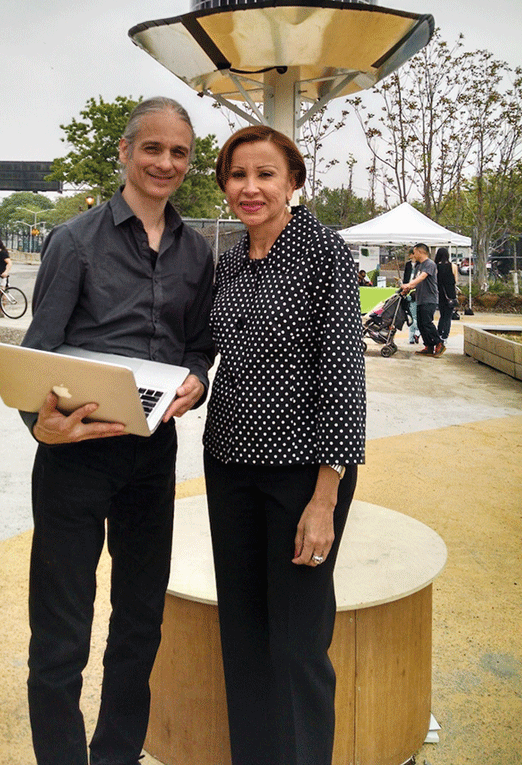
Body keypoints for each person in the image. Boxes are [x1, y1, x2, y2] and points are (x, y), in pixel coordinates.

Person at [20, 97, 215, 765]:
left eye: (179, 152)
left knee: (140, 626)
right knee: (61, 635)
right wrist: (39, 425)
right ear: (126, 153)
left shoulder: (197, 251)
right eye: (153, 148)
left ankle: (116, 756)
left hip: (151, 459)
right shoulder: (75, 241)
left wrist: (198, 378)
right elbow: (38, 351)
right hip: (75, 460)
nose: (166, 162)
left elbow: (198, 346)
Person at [203, 125, 366, 765]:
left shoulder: (324, 253)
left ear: (293, 182)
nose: (250, 188)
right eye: (238, 175)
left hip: (304, 476)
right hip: (229, 466)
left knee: (297, 643)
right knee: (242, 633)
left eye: (265, 174)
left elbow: (342, 378)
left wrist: (326, 497)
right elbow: (208, 349)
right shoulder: (232, 260)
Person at [401, 242, 443, 356]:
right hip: (420, 298)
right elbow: (415, 281)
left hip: (429, 298)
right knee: (420, 324)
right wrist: (407, 289)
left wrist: (409, 285)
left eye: (414, 253)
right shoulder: (419, 266)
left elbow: (422, 277)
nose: (413, 255)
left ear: (420, 252)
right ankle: (428, 345)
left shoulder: (429, 264)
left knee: (427, 322)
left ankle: (439, 343)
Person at [435, 246, 458, 345]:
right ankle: (445, 336)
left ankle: (439, 333)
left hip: (440, 294)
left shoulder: (435, 267)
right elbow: (456, 281)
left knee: (442, 315)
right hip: (451, 295)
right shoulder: (453, 266)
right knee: (448, 316)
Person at [403, 248, 420, 344]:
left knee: (415, 315)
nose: (410, 256)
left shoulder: (420, 264)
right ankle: (414, 335)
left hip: (416, 290)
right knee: (412, 314)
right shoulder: (408, 264)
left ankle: (414, 335)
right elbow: (406, 275)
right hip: (409, 288)